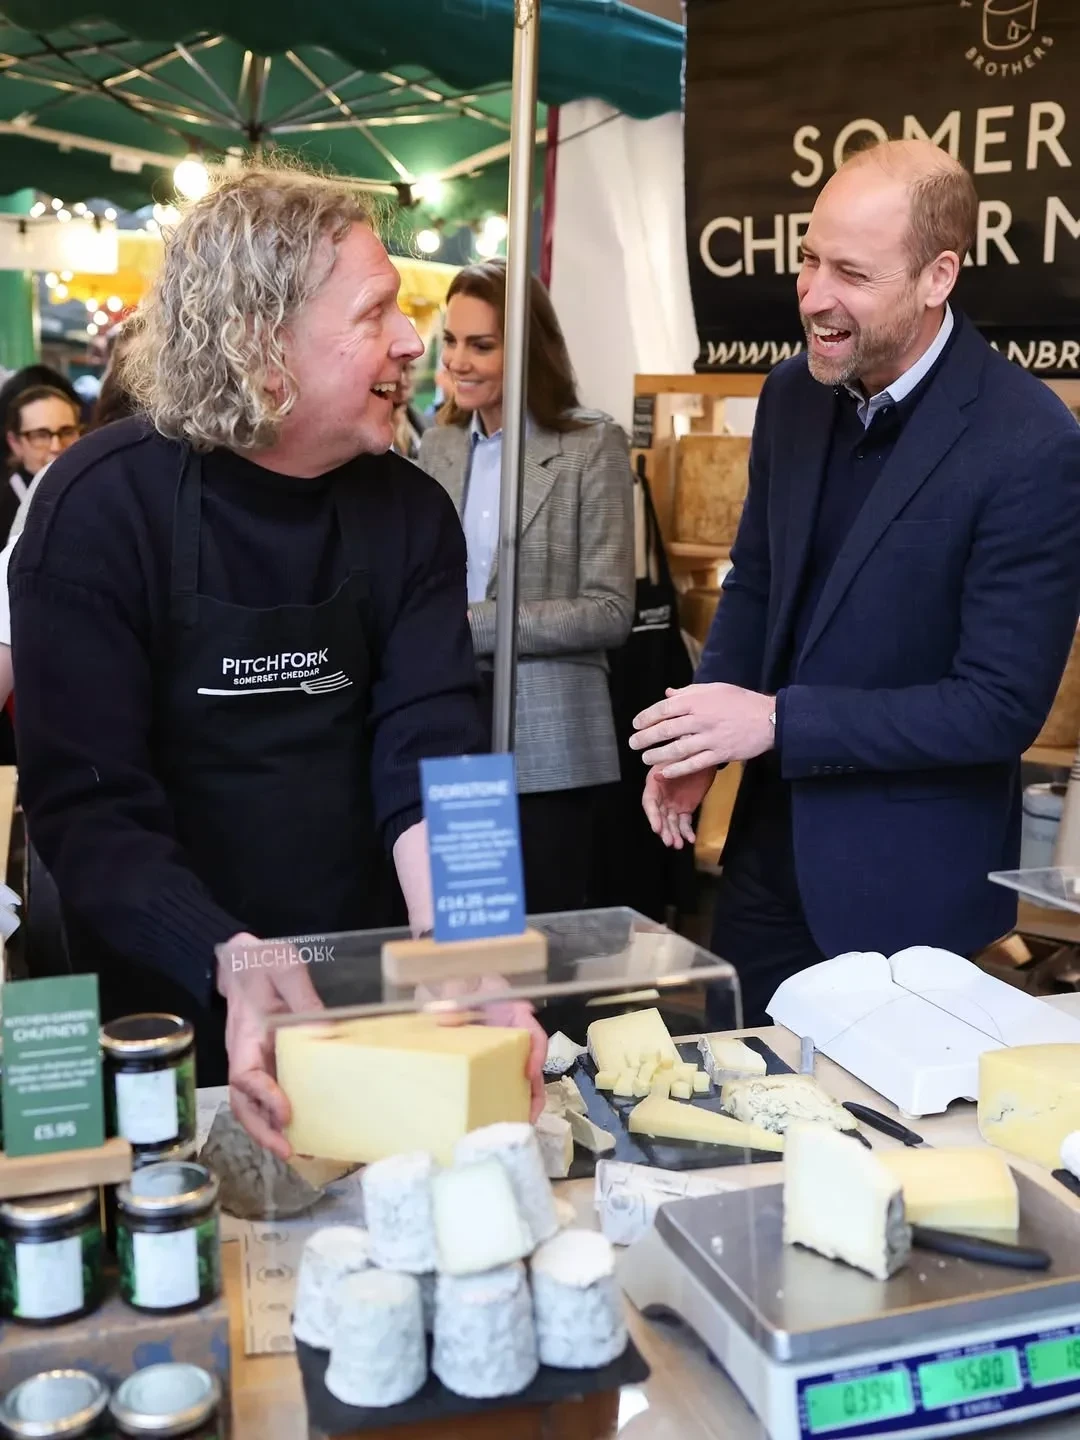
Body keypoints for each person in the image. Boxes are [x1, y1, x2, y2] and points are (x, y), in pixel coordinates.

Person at [9, 164, 504, 1153]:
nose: (413, 341)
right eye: (374, 314)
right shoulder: (97, 511)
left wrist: (470, 945)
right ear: (260, 346)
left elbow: (434, 755)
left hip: (368, 991)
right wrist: (222, 953)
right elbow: (90, 809)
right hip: (166, 1000)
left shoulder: (410, 512)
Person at [631, 139, 1080, 1024]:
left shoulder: (1032, 443)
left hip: (912, 897)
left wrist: (775, 722)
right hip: (765, 867)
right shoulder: (791, 396)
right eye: (809, 259)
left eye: (851, 273)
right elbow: (757, 587)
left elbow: (997, 707)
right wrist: (701, 742)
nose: (812, 295)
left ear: (938, 276)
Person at [418, 260, 635, 912]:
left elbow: (610, 609)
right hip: (453, 724)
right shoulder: (440, 444)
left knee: (549, 946)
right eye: (451, 340)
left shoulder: (591, 444)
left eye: (481, 345)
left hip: (552, 740)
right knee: (470, 929)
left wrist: (472, 624)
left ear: (526, 349)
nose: (458, 361)